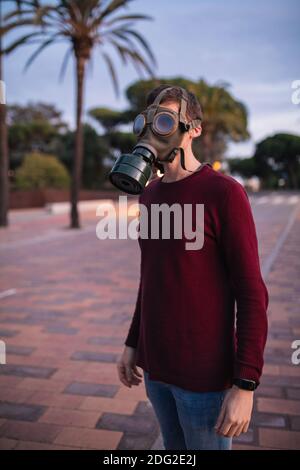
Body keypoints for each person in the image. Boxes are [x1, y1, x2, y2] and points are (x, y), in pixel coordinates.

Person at [116, 85, 269, 450]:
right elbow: (151, 278)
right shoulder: (150, 195)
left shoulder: (224, 193)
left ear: (194, 128)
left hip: (204, 378)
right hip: (156, 370)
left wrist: (245, 384)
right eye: (150, 121)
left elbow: (251, 293)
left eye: (166, 120)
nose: (156, 131)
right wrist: (133, 343)